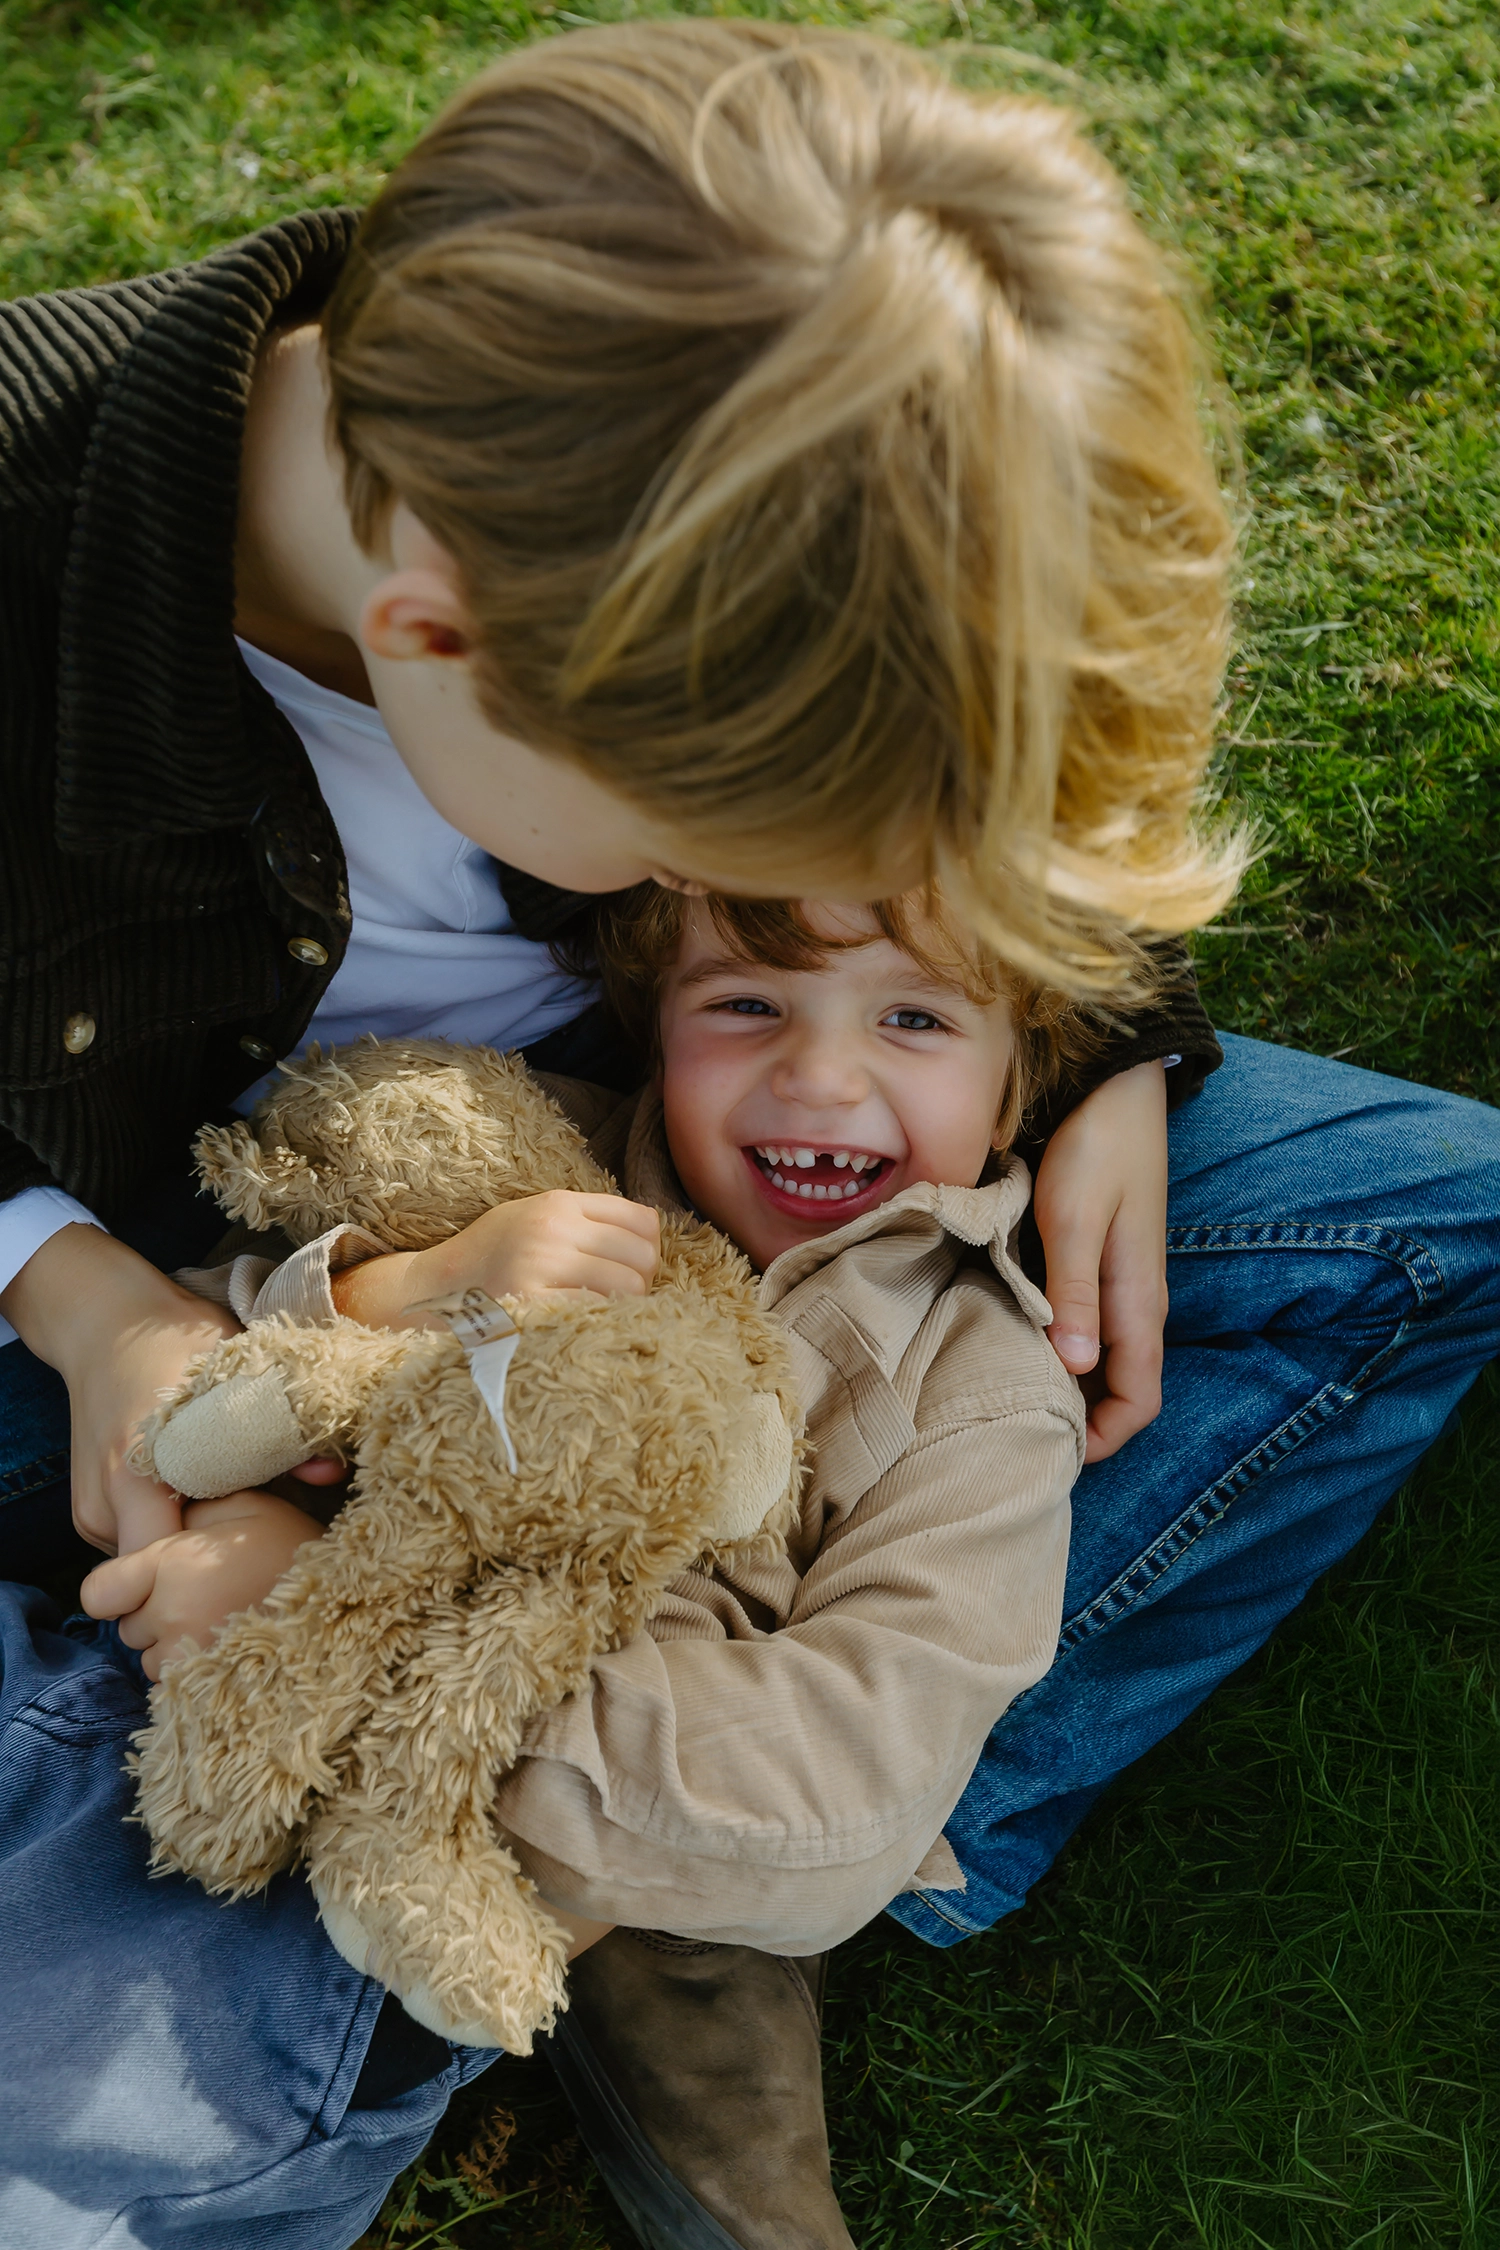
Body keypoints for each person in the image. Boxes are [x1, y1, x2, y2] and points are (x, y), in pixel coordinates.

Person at [0, 18, 1494, 2250]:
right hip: (212, 1291)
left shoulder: (668, 501)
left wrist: (1092, 1050)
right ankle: (500, 1801)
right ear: (446, 646)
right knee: (121, 2135)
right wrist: (84, 1290)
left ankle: (670, 1821)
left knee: (1418, 1212)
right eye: (787, 838)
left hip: (667, 1181)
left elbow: (964, 786)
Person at [82, 885, 1098, 2248]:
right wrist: (408, 1280)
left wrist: (416, 1694)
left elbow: (856, 1776)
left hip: (625, 1783)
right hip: (304, 1626)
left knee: (718, 1972)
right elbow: (232, 1307)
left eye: (914, 1017)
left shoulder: (980, 1392)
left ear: (1019, 1079)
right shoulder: (541, 1159)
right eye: (745, 1005)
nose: (819, 1071)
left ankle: (614, 1953)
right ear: (653, 1021)